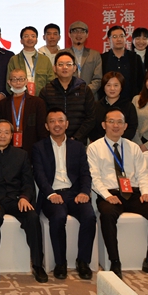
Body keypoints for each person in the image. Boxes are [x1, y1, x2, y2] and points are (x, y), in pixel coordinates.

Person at [88, 106, 148, 279]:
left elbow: (143, 173)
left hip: (133, 193)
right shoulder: (94, 148)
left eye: (120, 122)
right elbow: (94, 177)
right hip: (109, 194)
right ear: (104, 125)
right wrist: (107, 196)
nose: (115, 126)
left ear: (125, 126)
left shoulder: (133, 147)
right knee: (107, 214)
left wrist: (146, 192)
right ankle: (114, 261)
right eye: (111, 122)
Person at [0, 119, 47, 284]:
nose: (3, 135)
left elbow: (28, 182)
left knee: (32, 217)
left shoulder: (21, 155)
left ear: (11, 135)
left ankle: (38, 265)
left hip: (16, 199)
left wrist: (24, 197)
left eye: (7, 132)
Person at [32, 109, 96, 281]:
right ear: (47, 126)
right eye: (52, 121)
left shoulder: (78, 147)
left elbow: (85, 173)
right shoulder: (39, 147)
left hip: (75, 194)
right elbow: (39, 175)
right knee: (58, 217)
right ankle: (60, 263)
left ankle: (83, 262)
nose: (57, 124)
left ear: (67, 124)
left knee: (89, 216)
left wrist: (85, 192)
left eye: (60, 120)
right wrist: (50, 194)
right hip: (52, 195)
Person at [38, 52, 96, 144]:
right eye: (60, 64)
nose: (64, 67)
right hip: (53, 141)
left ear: (74, 68)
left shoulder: (84, 89)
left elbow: (91, 118)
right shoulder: (46, 90)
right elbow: (42, 118)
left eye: (68, 64)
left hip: (79, 142)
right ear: (54, 68)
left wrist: (76, 138)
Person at [0, 68, 48, 153]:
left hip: (31, 147)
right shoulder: (2, 104)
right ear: (9, 82)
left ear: (26, 81)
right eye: (14, 79)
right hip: (8, 147)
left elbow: (42, 129)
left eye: (21, 79)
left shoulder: (37, 103)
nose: (18, 83)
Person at [89, 72, 138, 142]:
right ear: (103, 87)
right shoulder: (95, 106)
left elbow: (132, 128)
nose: (112, 88)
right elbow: (91, 127)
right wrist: (104, 142)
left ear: (121, 87)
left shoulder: (129, 106)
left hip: (123, 144)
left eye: (116, 85)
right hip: (99, 144)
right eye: (108, 85)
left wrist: (117, 141)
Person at [7, 26, 55, 97]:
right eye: (26, 36)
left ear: (36, 40)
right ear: (21, 41)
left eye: (33, 36)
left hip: (41, 98)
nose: (30, 38)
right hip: (20, 98)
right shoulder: (14, 59)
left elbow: (51, 82)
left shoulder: (45, 60)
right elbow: (9, 82)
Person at [100, 25, 144, 97]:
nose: (119, 39)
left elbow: (141, 80)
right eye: (115, 37)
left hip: (131, 100)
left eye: (121, 36)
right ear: (108, 40)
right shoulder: (102, 58)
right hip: (108, 100)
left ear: (125, 38)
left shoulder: (135, 58)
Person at [66, 21, 102, 94]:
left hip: (89, 96)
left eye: (82, 31)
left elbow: (98, 79)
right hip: (68, 95)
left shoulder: (95, 55)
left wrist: (85, 92)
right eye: (75, 31)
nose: (79, 34)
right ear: (69, 34)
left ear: (87, 35)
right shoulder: (63, 54)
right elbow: (59, 76)